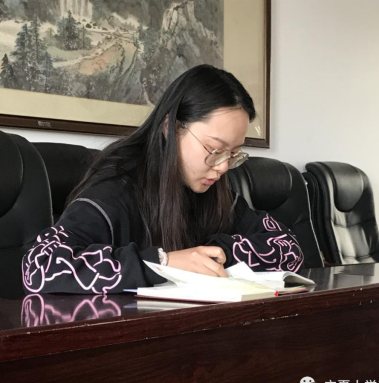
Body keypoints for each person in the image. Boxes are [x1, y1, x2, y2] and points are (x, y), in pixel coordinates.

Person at [22, 65, 303, 295]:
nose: (222, 167)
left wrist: (218, 253)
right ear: (171, 128)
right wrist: (163, 262)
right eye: (214, 150)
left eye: (233, 154)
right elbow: (40, 266)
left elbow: (289, 248)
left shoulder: (210, 192)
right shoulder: (115, 190)